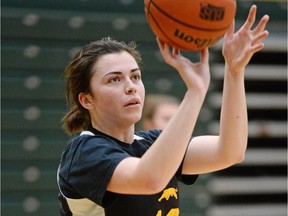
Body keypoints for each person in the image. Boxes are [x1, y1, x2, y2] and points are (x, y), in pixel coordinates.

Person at [57, 5, 269, 216]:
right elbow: (150, 179)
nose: (131, 86)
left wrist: (234, 71)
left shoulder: (153, 142)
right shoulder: (84, 153)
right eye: (114, 79)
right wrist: (195, 92)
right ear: (86, 100)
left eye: (135, 76)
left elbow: (230, 151)